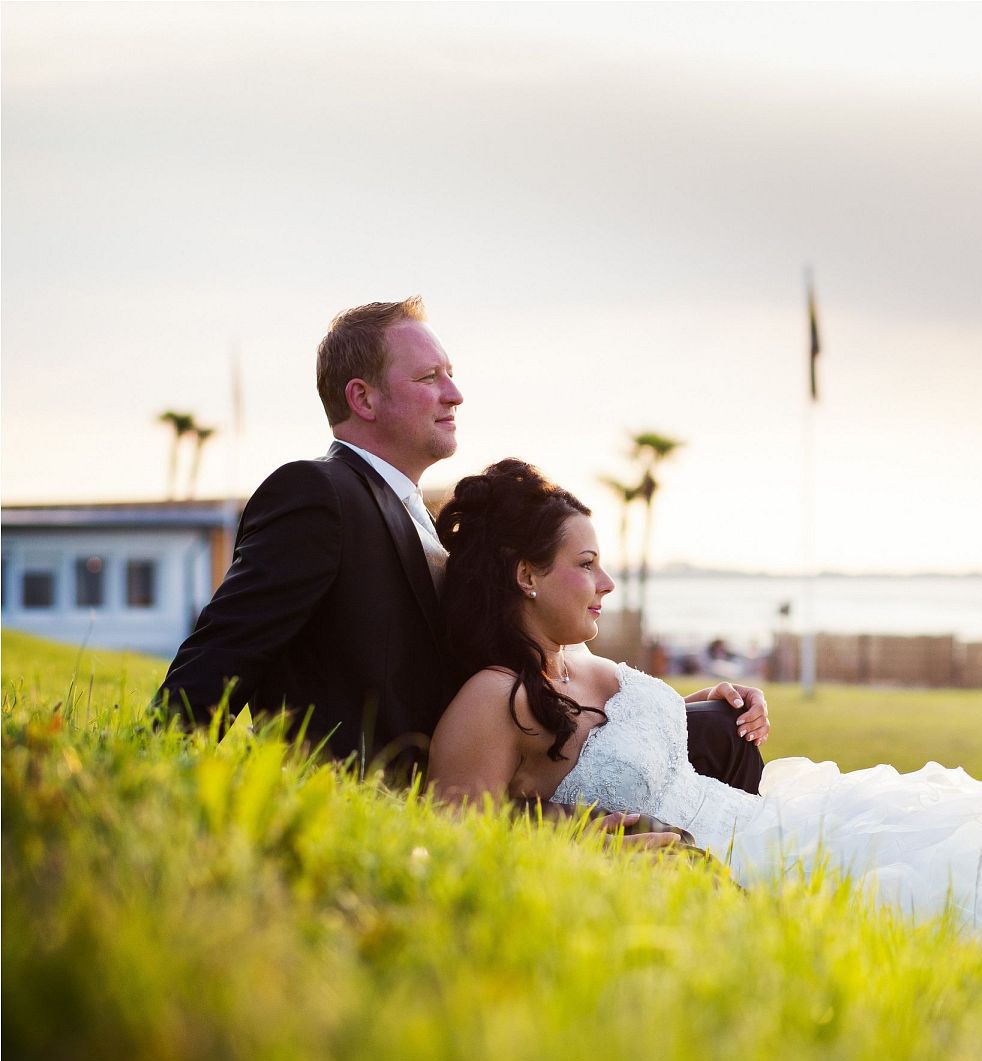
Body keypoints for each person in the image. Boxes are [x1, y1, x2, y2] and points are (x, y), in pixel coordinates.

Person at [428, 460, 982, 1017]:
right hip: (728, 852)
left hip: (769, 813)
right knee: (947, 880)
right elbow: (459, 841)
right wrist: (590, 844)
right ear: (526, 574)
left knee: (973, 843)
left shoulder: (574, 662)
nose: (606, 581)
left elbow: (628, 738)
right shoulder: (490, 699)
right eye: (585, 564)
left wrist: (705, 705)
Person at [155, 298, 767, 844]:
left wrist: (656, 713)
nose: (455, 393)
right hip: (384, 811)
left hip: (492, 781)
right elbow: (222, 655)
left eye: (451, 374)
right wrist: (163, 786)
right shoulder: (318, 492)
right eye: (429, 378)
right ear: (362, 397)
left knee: (718, 732)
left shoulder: (417, 513)